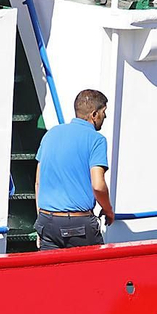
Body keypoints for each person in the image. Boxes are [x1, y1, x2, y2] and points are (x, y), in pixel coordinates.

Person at [34, 88, 115, 249]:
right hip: (79, 226)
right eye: (103, 112)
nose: (105, 116)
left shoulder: (50, 134)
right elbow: (98, 185)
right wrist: (108, 209)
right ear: (94, 115)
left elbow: (38, 182)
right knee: (95, 272)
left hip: (46, 222)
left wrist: (41, 218)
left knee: (53, 273)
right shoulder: (97, 140)